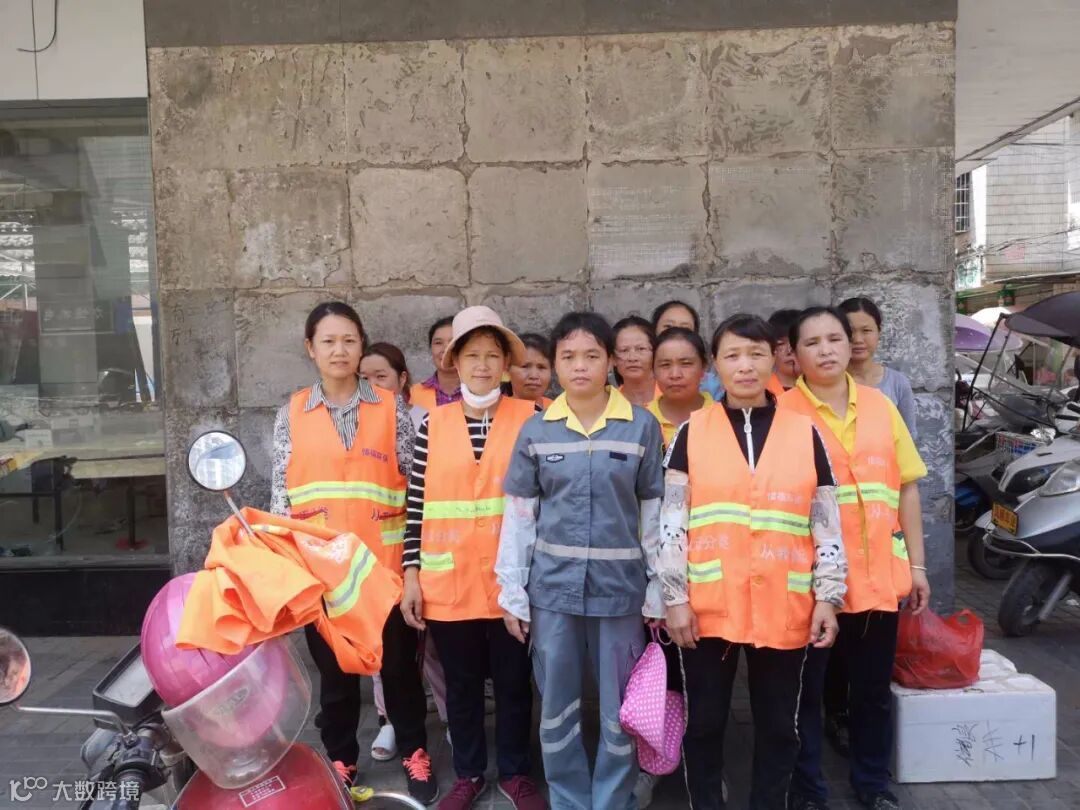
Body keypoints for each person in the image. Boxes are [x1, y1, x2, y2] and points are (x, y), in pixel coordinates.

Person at [659, 313, 847, 810]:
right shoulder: (691, 433)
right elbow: (671, 524)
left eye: (756, 354)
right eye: (733, 355)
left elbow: (826, 521)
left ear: (775, 359)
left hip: (786, 606)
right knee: (704, 724)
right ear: (715, 365)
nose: (745, 366)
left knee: (780, 726)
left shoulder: (805, 433)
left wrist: (828, 597)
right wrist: (674, 599)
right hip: (708, 608)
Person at [496, 311, 665, 810]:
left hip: (621, 592)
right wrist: (512, 592)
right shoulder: (536, 430)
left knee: (619, 709)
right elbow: (520, 518)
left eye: (592, 355)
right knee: (557, 708)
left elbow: (654, 516)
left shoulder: (641, 426)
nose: (580, 366)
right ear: (555, 364)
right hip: (552, 592)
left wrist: (660, 587)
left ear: (610, 361)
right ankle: (568, 799)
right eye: (568, 356)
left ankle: (613, 799)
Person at [270, 302, 437, 804]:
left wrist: (414, 566)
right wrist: (286, 573)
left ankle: (415, 752)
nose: (339, 350)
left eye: (348, 340)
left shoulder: (390, 407)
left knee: (399, 671)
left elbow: (417, 488)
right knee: (335, 676)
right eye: (328, 341)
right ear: (311, 349)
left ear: (361, 344)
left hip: (383, 570)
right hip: (322, 575)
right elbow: (281, 500)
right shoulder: (291, 414)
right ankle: (341, 759)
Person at [781, 307, 931, 810]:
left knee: (871, 692)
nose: (825, 350)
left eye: (834, 339)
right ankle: (807, 790)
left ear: (850, 346)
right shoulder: (781, 414)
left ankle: (872, 784)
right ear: (794, 355)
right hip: (808, 584)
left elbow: (906, 487)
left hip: (876, 578)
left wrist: (917, 566)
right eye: (812, 343)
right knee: (805, 694)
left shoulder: (879, 406)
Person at [400, 306, 544, 810]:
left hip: (512, 583)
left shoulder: (532, 419)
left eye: (492, 356)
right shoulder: (431, 425)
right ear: (454, 362)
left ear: (505, 364)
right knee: (460, 688)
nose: (482, 366)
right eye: (472, 356)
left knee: (514, 683)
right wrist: (411, 575)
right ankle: (468, 773)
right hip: (449, 582)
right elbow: (416, 506)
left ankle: (515, 772)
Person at [359, 341, 449, 760]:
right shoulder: (353, 426)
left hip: (423, 548)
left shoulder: (426, 422)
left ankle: (450, 717)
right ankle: (389, 721)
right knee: (383, 648)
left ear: (402, 379)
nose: (372, 385)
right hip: (376, 557)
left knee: (433, 645)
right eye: (364, 378)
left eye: (381, 376)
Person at [838, 298, 918, 437]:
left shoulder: (897, 383)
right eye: (849, 331)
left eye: (866, 330)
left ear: (878, 333)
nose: (857, 339)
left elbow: (908, 438)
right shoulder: (828, 383)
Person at [647, 327, 714, 449]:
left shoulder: (723, 417)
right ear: (653, 370)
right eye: (665, 365)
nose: (675, 375)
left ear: (704, 367)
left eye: (686, 364)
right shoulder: (641, 421)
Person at [651, 299, 723, 400]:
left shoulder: (712, 386)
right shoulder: (640, 380)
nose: (676, 334)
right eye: (668, 327)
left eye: (685, 329)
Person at [412, 316, 462, 410]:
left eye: (453, 342)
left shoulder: (482, 392)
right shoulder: (413, 394)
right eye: (438, 343)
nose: (446, 349)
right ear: (430, 348)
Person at [613, 315, 660, 406]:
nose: (632, 358)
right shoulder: (609, 404)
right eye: (624, 350)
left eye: (641, 349)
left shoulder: (672, 396)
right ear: (613, 359)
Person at [508, 332, 554, 407]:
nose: (534, 375)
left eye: (541, 367)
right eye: (525, 366)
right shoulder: (492, 411)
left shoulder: (558, 410)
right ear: (507, 370)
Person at [767, 308, 802, 394]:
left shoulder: (825, 389)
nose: (789, 350)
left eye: (794, 341)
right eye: (780, 344)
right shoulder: (760, 391)